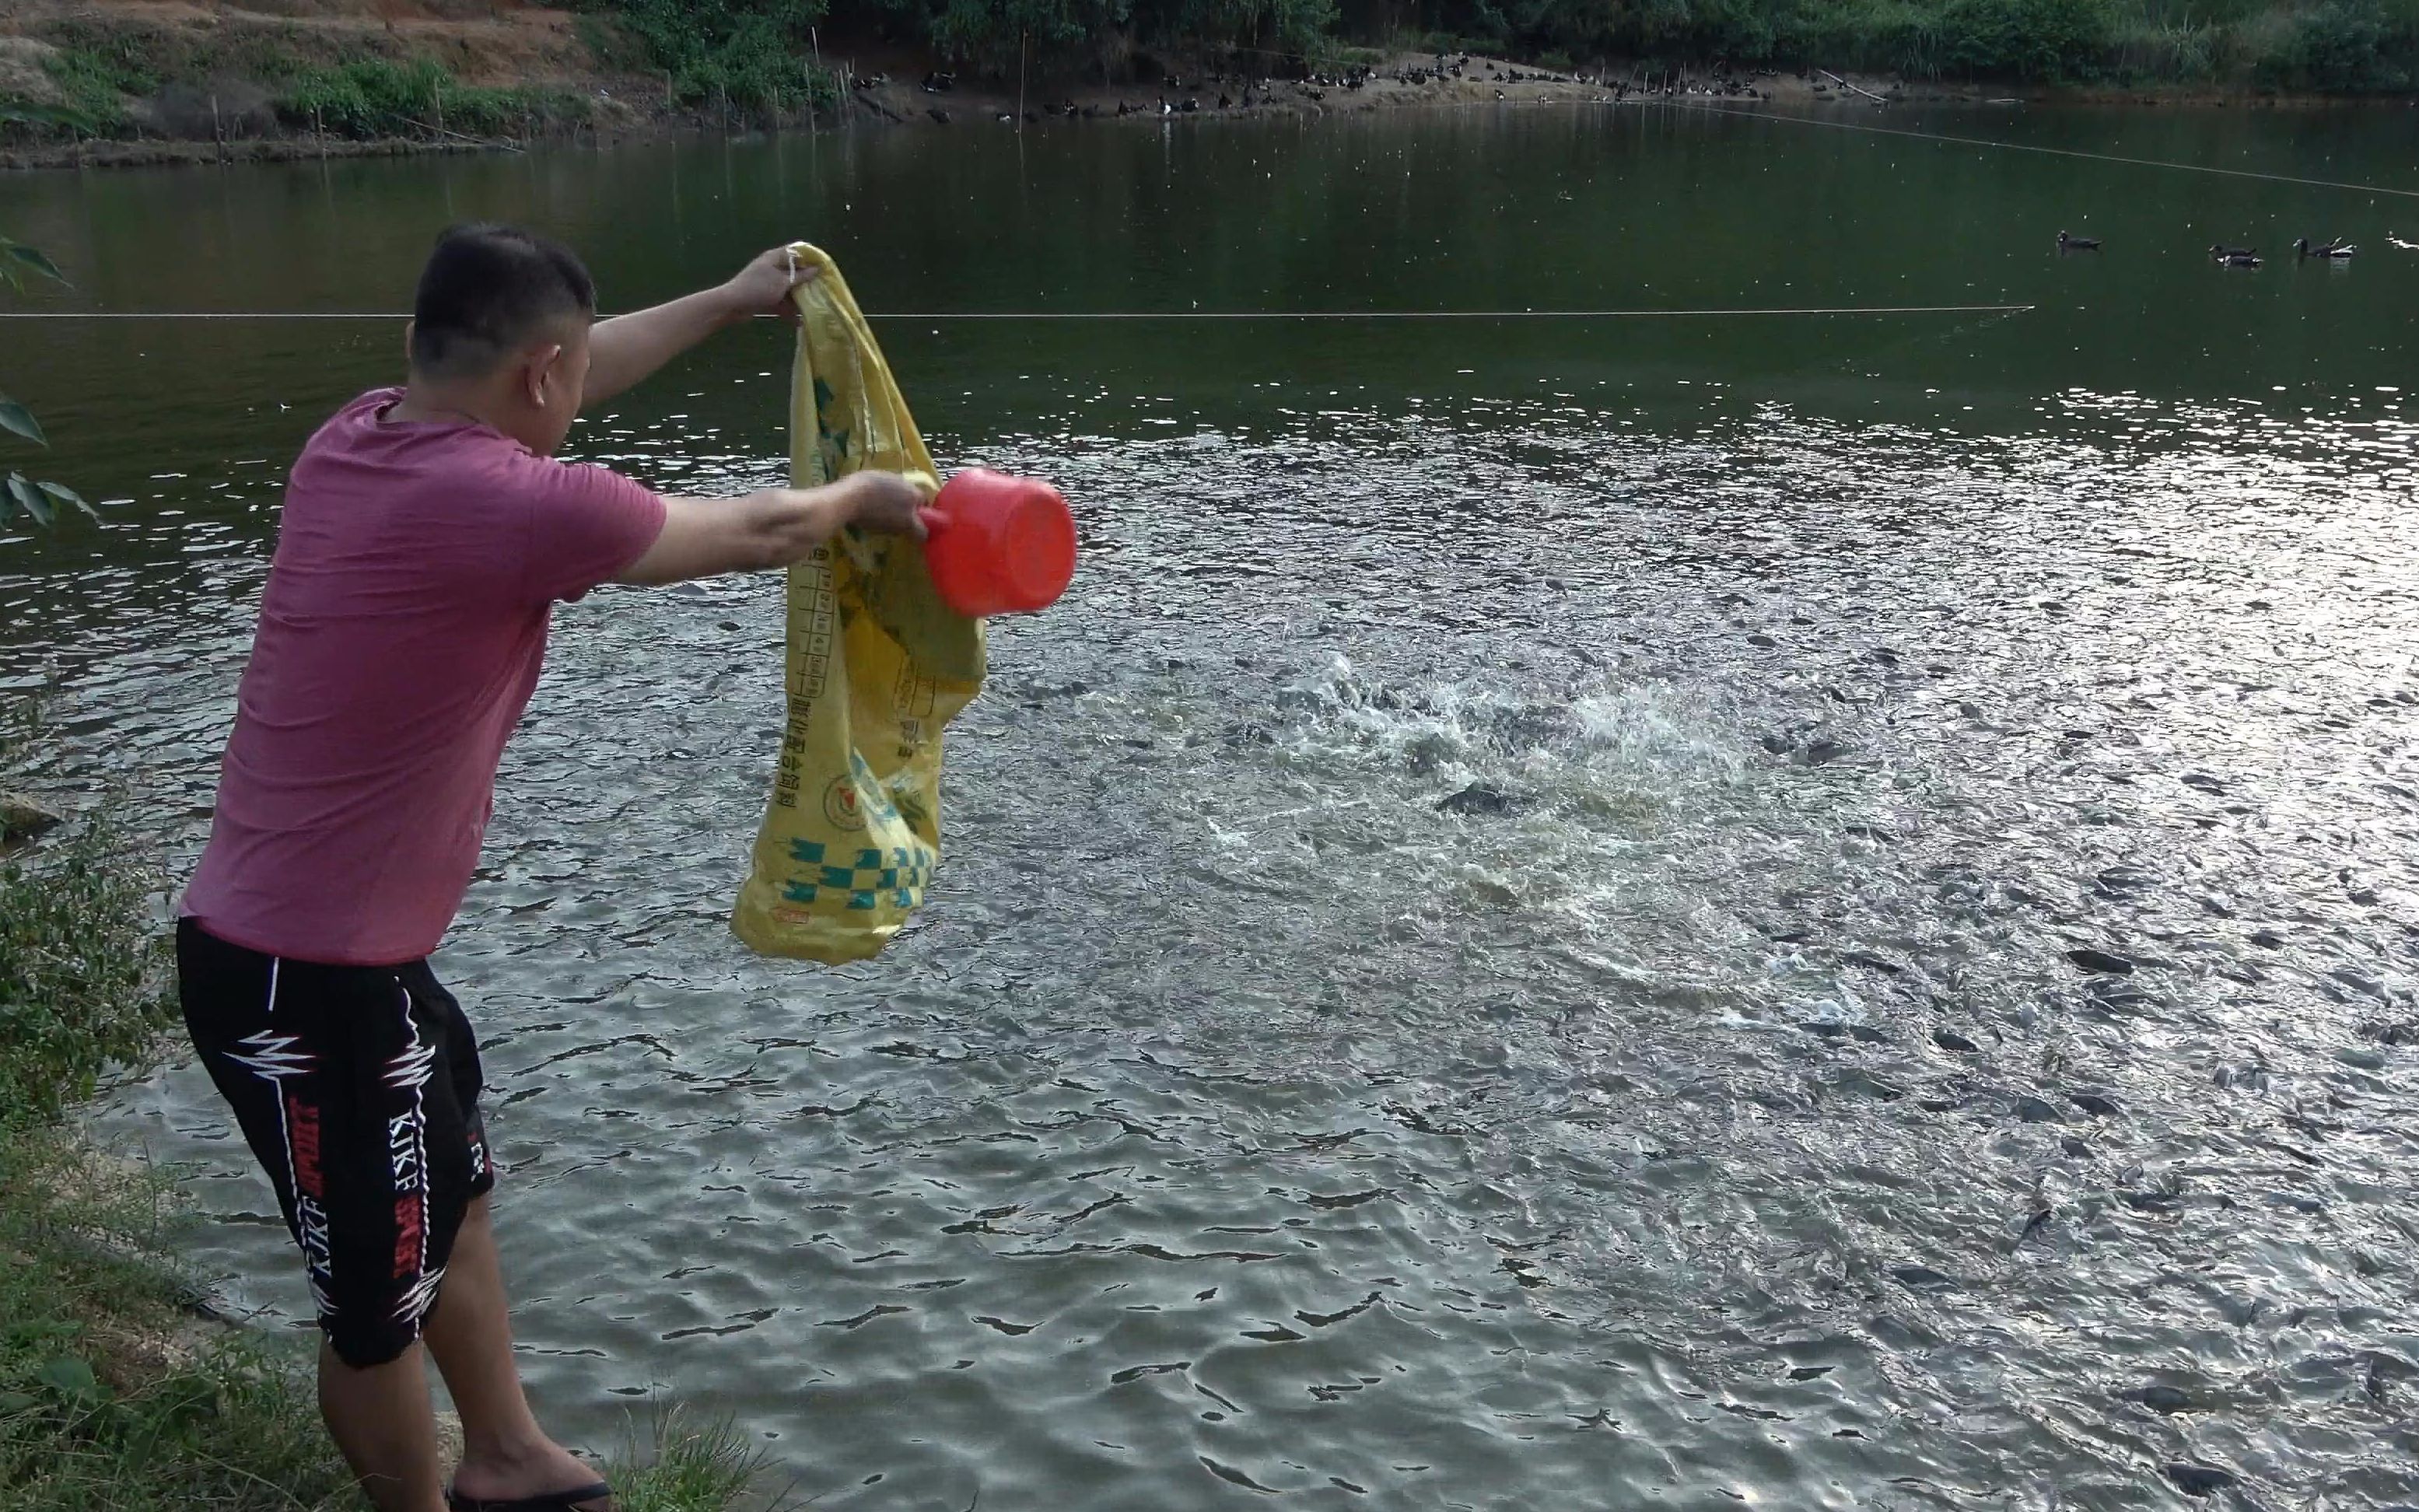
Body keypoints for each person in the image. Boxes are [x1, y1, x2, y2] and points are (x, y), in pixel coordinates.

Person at [175, 223, 928, 1512]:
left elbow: (576, 363)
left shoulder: (357, 437)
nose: (577, 392)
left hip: (335, 959)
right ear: (539, 374)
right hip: (309, 989)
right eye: (567, 374)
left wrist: (729, 302)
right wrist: (871, 499)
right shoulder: (513, 503)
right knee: (370, 1309)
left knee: (454, 1198)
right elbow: (756, 531)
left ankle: (509, 1457)